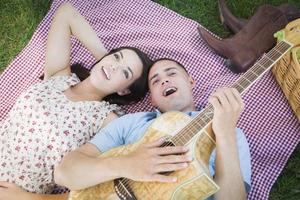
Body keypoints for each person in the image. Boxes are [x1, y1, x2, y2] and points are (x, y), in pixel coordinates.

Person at [0, 2, 153, 200]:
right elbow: (66, 13)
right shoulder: (58, 76)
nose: (115, 66)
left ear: (125, 90)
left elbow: (104, 190)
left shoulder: (108, 121)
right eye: (117, 57)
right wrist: (106, 61)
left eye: (125, 72)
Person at [55, 58, 251, 200]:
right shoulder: (130, 123)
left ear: (191, 82)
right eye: (155, 81)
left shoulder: (231, 132)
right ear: (153, 100)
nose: (164, 80)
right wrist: (126, 164)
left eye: (172, 73)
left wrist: (224, 135)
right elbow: (64, 173)